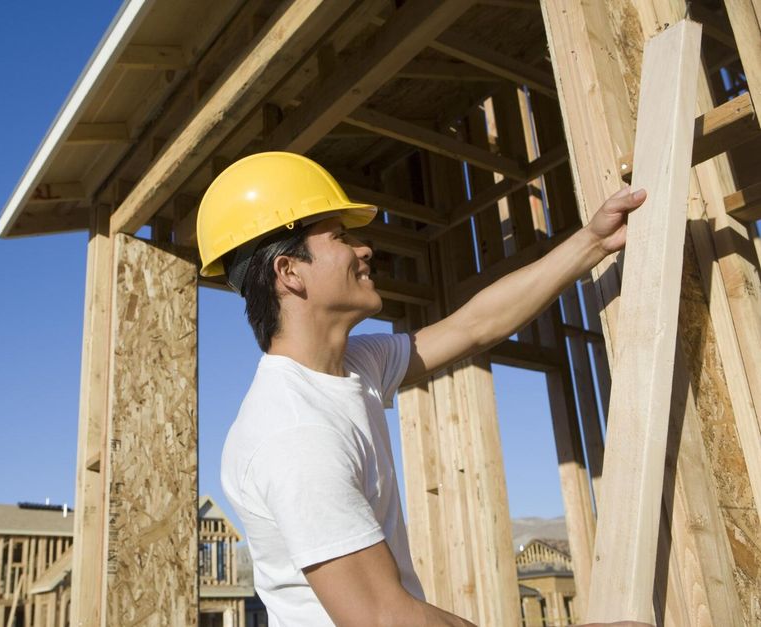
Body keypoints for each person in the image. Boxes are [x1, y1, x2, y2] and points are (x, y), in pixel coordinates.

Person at [196, 151, 648, 626]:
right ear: (289, 272)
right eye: (341, 236)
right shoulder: (294, 433)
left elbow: (475, 325)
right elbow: (383, 619)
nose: (364, 249)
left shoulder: (355, 366)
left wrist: (592, 243)